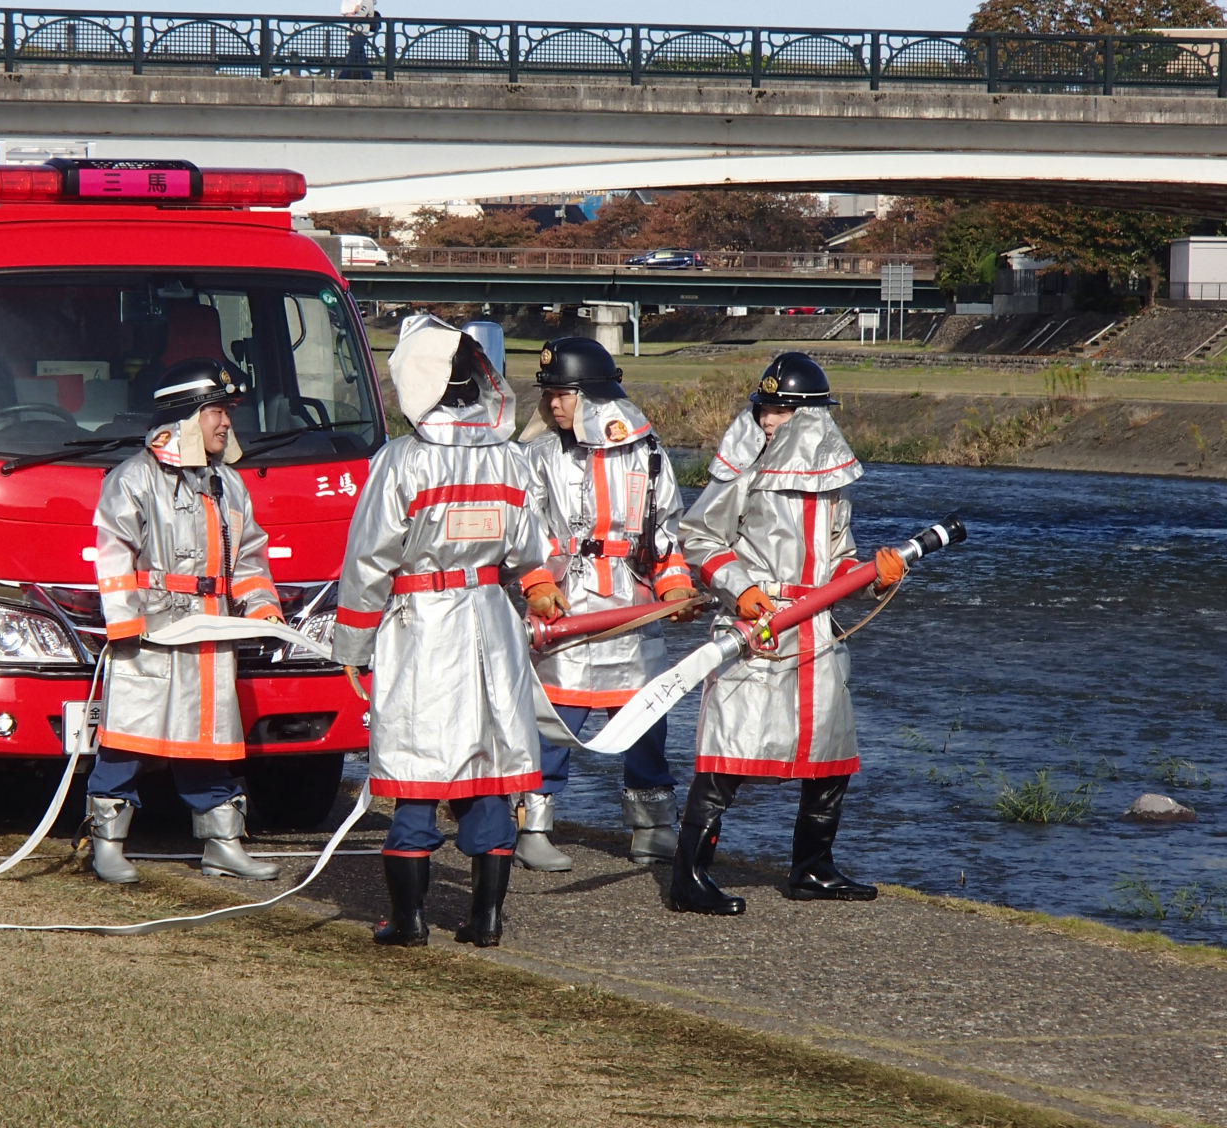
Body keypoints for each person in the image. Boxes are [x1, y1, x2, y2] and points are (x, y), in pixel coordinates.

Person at [331, 314, 564, 948]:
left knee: (416, 765)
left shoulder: (402, 461)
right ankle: (485, 920)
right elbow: (532, 549)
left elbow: (369, 560)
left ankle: (408, 922)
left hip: (422, 628)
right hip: (492, 623)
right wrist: (540, 587)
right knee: (488, 768)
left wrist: (350, 643)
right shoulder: (513, 459)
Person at [671, 351, 906, 915]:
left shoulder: (832, 483)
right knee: (728, 751)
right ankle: (688, 876)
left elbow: (839, 559)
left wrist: (874, 575)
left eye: (779, 410)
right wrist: (741, 589)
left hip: (817, 633)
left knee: (831, 749)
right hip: (758, 626)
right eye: (764, 407)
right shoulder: (744, 466)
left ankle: (813, 868)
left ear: (810, 417)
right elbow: (699, 536)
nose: (767, 419)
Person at [84, 357, 287, 884]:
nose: (226, 423)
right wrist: (126, 625)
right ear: (185, 419)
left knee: (209, 739)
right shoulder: (133, 479)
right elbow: (113, 555)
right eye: (217, 411)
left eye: (227, 412)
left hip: (212, 631)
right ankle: (107, 843)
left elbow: (249, 558)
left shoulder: (229, 485)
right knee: (130, 737)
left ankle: (222, 843)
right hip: (150, 635)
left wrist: (263, 610)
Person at [519, 337, 701, 872]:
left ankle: (653, 827)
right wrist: (534, 583)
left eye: (565, 394)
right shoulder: (536, 456)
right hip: (565, 609)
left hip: (632, 608)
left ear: (596, 397)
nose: (554, 404)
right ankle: (534, 824)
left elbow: (665, 532)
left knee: (646, 722)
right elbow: (525, 532)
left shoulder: (648, 454)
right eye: (549, 394)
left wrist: (673, 587)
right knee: (554, 720)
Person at [339, 0, 376, 80]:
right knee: (360, 57)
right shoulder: (364, 1)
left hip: (360, 32)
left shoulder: (367, 1)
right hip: (359, 31)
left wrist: (352, 15)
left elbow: (362, 15)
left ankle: (343, 77)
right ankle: (367, 77)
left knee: (353, 55)